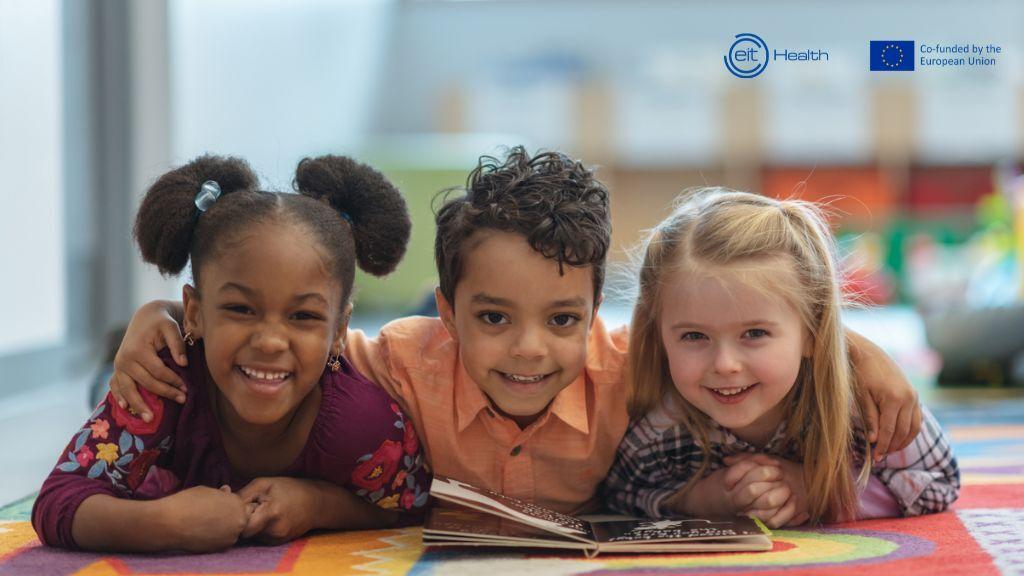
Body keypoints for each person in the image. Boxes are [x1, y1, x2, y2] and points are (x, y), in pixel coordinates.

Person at [107, 148, 923, 514]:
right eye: (493, 318)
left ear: (598, 314)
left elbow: (732, 340)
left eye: (563, 319)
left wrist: (853, 348)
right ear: (449, 311)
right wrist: (153, 318)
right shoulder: (400, 360)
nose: (529, 349)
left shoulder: (632, 371)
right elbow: (287, 341)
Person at [33, 155, 430, 552]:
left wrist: (317, 505)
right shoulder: (164, 381)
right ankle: (114, 357)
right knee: (115, 382)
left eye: (304, 315)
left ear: (339, 332)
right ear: (193, 312)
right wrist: (160, 523)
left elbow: (410, 504)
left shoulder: (364, 423)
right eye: (241, 309)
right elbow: (58, 499)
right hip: (160, 393)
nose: (270, 342)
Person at [604, 188, 959, 527]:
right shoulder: (662, 425)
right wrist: (699, 500)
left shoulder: (864, 405)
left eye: (755, 334)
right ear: (659, 335)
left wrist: (825, 493)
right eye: (694, 336)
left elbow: (939, 480)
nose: (725, 364)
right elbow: (620, 492)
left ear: (812, 331)